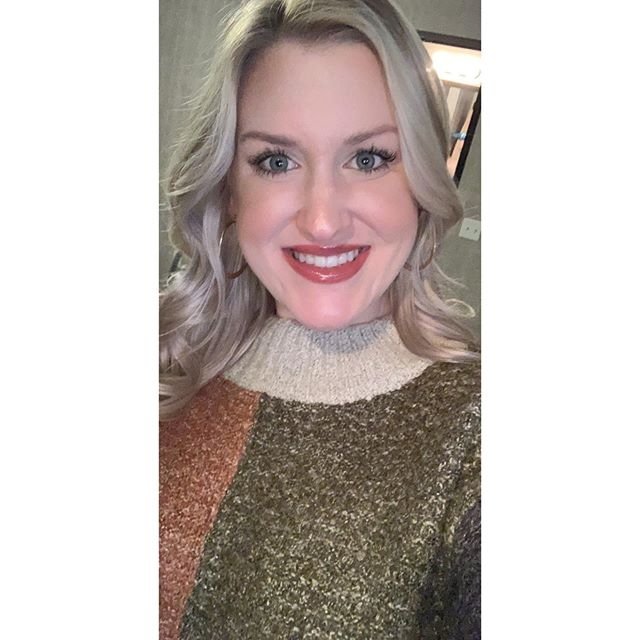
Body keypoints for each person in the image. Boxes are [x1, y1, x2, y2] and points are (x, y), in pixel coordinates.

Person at [159, 0, 480, 638]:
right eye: (277, 162)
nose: (323, 220)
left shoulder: (481, 435)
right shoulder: (164, 366)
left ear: (421, 181)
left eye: (369, 158)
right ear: (228, 189)